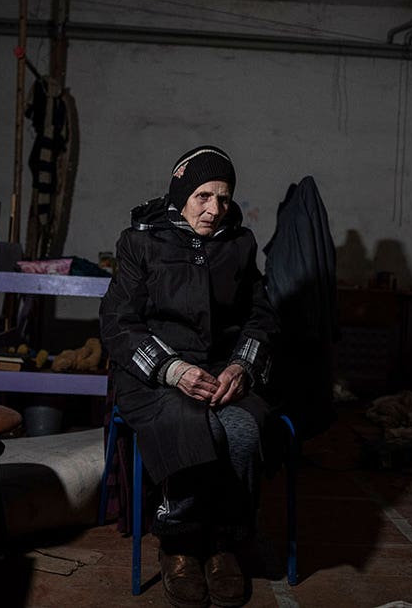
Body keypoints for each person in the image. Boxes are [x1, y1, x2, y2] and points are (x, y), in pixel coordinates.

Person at [100, 145, 277, 608]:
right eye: (202, 196)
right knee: (187, 424)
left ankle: (221, 544)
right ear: (181, 193)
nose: (214, 209)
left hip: (221, 370)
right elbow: (118, 321)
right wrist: (171, 368)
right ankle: (178, 544)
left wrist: (242, 366)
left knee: (241, 428)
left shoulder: (240, 245)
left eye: (223, 197)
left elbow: (260, 318)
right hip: (157, 374)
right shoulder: (141, 242)